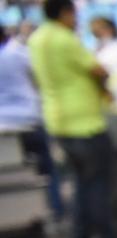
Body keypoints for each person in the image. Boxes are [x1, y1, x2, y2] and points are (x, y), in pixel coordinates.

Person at [28, 0, 117, 238]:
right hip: (86, 124)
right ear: (65, 13)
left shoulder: (36, 40)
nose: (77, 21)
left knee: (80, 183)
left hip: (58, 122)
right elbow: (98, 70)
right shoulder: (65, 39)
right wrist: (106, 91)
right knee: (99, 185)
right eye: (74, 15)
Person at [0, 24, 64, 220]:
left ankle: (23, 215)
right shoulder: (18, 54)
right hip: (30, 119)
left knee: (12, 176)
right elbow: (39, 77)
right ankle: (55, 211)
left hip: (5, 128)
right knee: (47, 170)